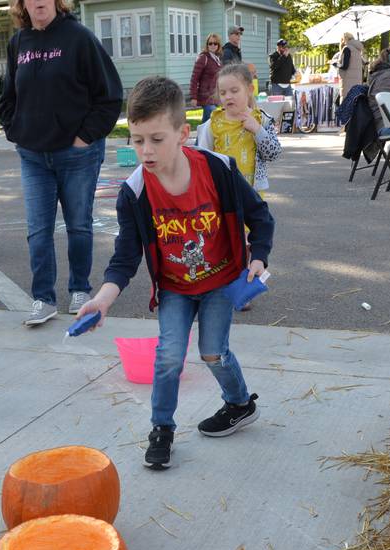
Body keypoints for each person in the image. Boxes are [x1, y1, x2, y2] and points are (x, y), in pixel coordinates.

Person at [75, 76, 274, 470]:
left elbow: (260, 216)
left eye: (156, 139)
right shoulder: (135, 191)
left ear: (183, 133)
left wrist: (260, 256)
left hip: (220, 282)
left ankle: (238, 404)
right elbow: (125, 256)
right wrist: (102, 299)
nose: (145, 150)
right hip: (175, 289)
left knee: (213, 352)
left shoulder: (218, 170)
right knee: (167, 358)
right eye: (136, 139)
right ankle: (161, 429)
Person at [0, 0, 123, 326]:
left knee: (79, 225)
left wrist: (85, 137)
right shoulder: (19, 43)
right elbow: (8, 96)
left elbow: (109, 95)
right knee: (38, 231)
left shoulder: (79, 37)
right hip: (33, 156)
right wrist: (16, 130)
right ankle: (43, 298)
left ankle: (80, 289)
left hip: (77, 155)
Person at [196, 63, 282, 194]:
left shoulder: (262, 120)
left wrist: (258, 130)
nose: (228, 96)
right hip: (222, 193)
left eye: (234, 91)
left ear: (249, 90)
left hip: (253, 195)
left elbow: (273, 154)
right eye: (223, 93)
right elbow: (201, 161)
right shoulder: (213, 123)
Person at [189, 34, 223, 122]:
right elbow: (194, 79)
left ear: (218, 45)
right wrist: (193, 97)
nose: (212, 46)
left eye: (215, 43)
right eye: (210, 43)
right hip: (206, 97)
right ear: (207, 45)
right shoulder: (203, 58)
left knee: (208, 125)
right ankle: (201, 135)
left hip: (215, 98)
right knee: (210, 122)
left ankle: (200, 135)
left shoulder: (217, 59)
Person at [337, 33, 364, 102]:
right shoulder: (357, 50)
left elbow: (345, 66)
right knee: (354, 102)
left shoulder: (347, 49)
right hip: (356, 81)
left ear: (344, 39)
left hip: (348, 81)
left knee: (346, 104)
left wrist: (335, 64)